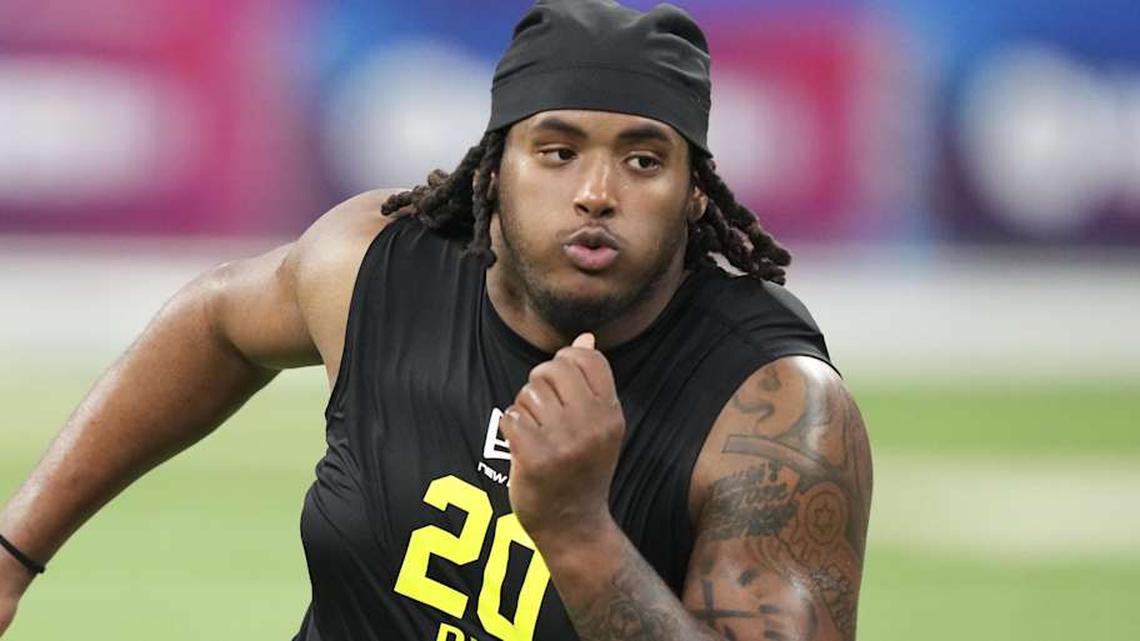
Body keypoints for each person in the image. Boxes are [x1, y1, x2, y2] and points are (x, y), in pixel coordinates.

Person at [0, 1, 872, 639]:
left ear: (694, 194)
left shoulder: (774, 409)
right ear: (494, 169)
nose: (596, 192)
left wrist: (579, 533)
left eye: (644, 161)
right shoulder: (376, 268)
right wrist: (14, 550)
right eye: (557, 152)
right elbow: (217, 322)